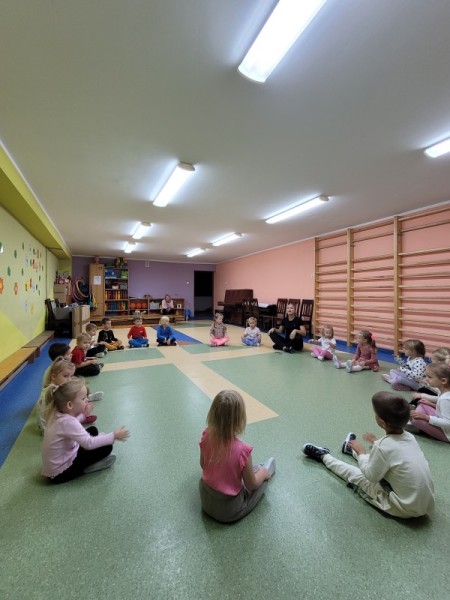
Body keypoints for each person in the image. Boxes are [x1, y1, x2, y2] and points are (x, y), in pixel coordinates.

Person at [303, 391, 435, 519]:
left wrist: (361, 453)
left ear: (382, 422)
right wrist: (375, 443)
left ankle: (324, 456)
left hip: (402, 508)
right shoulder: (410, 437)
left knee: (356, 474)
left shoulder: (382, 447)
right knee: (376, 461)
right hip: (424, 504)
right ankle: (349, 449)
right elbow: (393, 454)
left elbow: (371, 476)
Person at [199, 390, 275, 523]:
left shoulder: (206, 435)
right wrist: (263, 474)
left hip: (206, 500)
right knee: (262, 480)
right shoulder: (243, 451)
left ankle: (250, 472)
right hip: (229, 510)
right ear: (240, 420)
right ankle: (261, 470)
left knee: (243, 472)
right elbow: (251, 485)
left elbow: (202, 464)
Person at [41, 378, 130, 483]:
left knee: (92, 430)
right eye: (83, 399)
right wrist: (114, 435)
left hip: (62, 460)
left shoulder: (58, 413)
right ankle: (88, 468)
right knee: (107, 447)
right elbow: (89, 443)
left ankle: (88, 458)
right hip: (59, 474)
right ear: (70, 405)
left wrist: (84, 415)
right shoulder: (68, 422)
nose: (87, 400)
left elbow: (71, 426)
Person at [36, 358, 97, 433]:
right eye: (65, 376)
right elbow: (69, 408)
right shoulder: (56, 391)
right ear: (54, 377)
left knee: (76, 400)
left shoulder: (50, 386)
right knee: (76, 404)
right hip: (53, 430)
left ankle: (83, 410)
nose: (69, 379)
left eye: (71, 376)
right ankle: (82, 416)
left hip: (46, 425)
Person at [410, 362, 450, 443]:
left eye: (429, 377)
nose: (426, 379)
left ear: (443, 381)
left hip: (447, 434)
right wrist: (431, 404)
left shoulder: (445, 399)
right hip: (442, 421)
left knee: (416, 421)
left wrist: (426, 417)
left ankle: (416, 425)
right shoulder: (443, 391)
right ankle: (415, 420)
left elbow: (448, 423)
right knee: (422, 404)